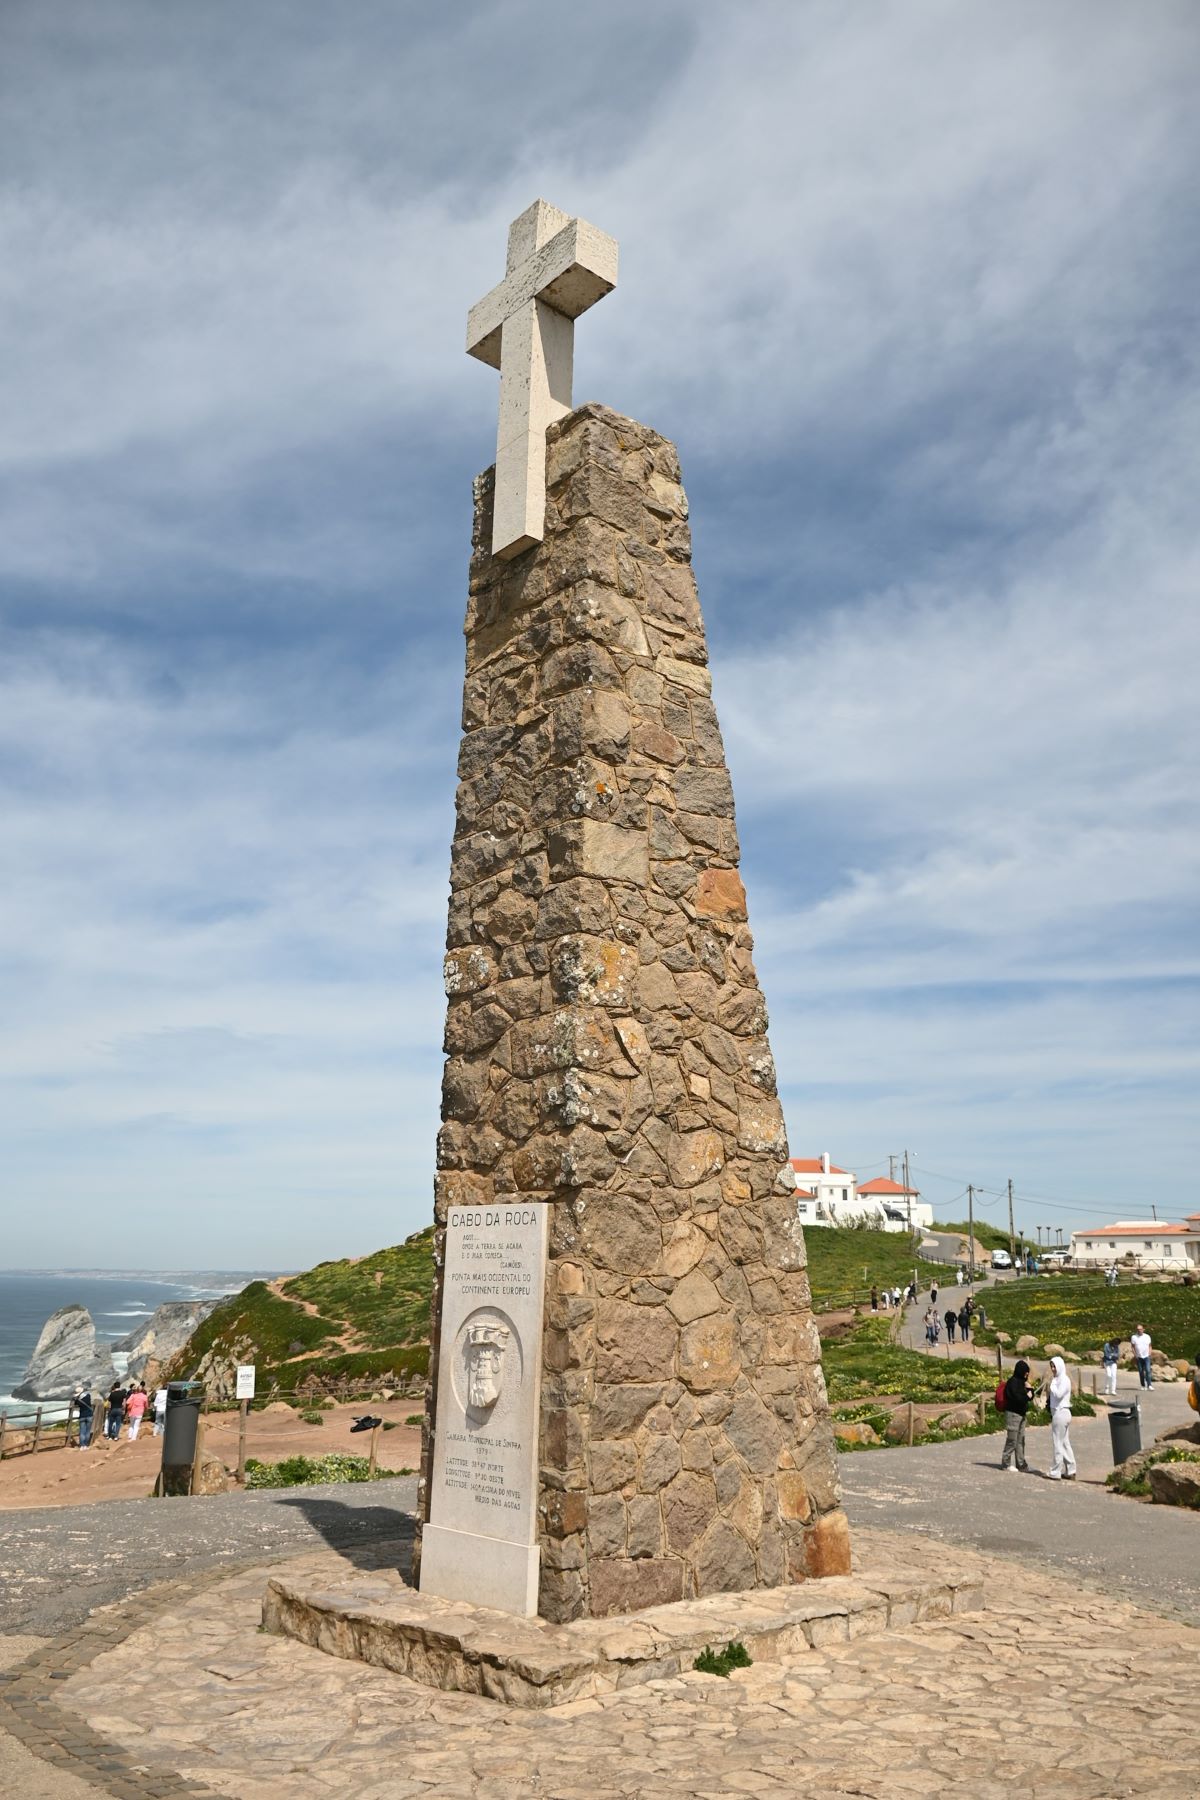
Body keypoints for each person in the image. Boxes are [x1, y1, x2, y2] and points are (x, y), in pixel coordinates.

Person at [1045, 1356, 1077, 1480]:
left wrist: (1052, 1384)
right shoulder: (1057, 1379)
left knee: (1057, 1443)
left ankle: (1055, 1472)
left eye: (1054, 1366)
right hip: (1058, 1414)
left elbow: (1058, 1394)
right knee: (1064, 1442)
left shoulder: (1064, 1380)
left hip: (1061, 1413)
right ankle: (1070, 1470)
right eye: (1051, 1366)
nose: (1053, 1369)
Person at [1000, 1359, 1035, 1472]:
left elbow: (1030, 1396)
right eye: (1025, 1373)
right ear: (1020, 1371)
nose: (1026, 1375)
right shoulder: (1013, 1382)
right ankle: (1006, 1463)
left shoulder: (1022, 1382)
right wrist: (1027, 1395)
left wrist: (1029, 1388)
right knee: (1012, 1440)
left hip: (1021, 1415)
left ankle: (1021, 1464)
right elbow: (1018, 1398)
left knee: (1021, 1440)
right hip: (1013, 1415)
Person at [1131, 1324, 1153, 1389]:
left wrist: (1149, 1353)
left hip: (1146, 1356)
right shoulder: (1134, 1337)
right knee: (1141, 1372)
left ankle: (1149, 1385)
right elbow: (1132, 1347)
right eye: (1138, 1329)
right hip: (1139, 1356)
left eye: (1140, 1329)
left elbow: (1150, 1346)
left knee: (1148, 1370)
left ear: (1143, 1329)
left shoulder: (1147, 1336)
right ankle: (1143, 1385)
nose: (1139, 1330)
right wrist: (1135, 1355)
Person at [73, 1385, 94, 1449]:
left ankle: (81, 1445)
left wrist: (76, 1398)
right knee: (87, 1431)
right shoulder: (88, 1396)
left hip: (82, 1416)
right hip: (89, 1415)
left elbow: (75, 1403)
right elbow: (88, 1395)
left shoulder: (77, 1400)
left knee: (82, 1431)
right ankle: (86, 1445)